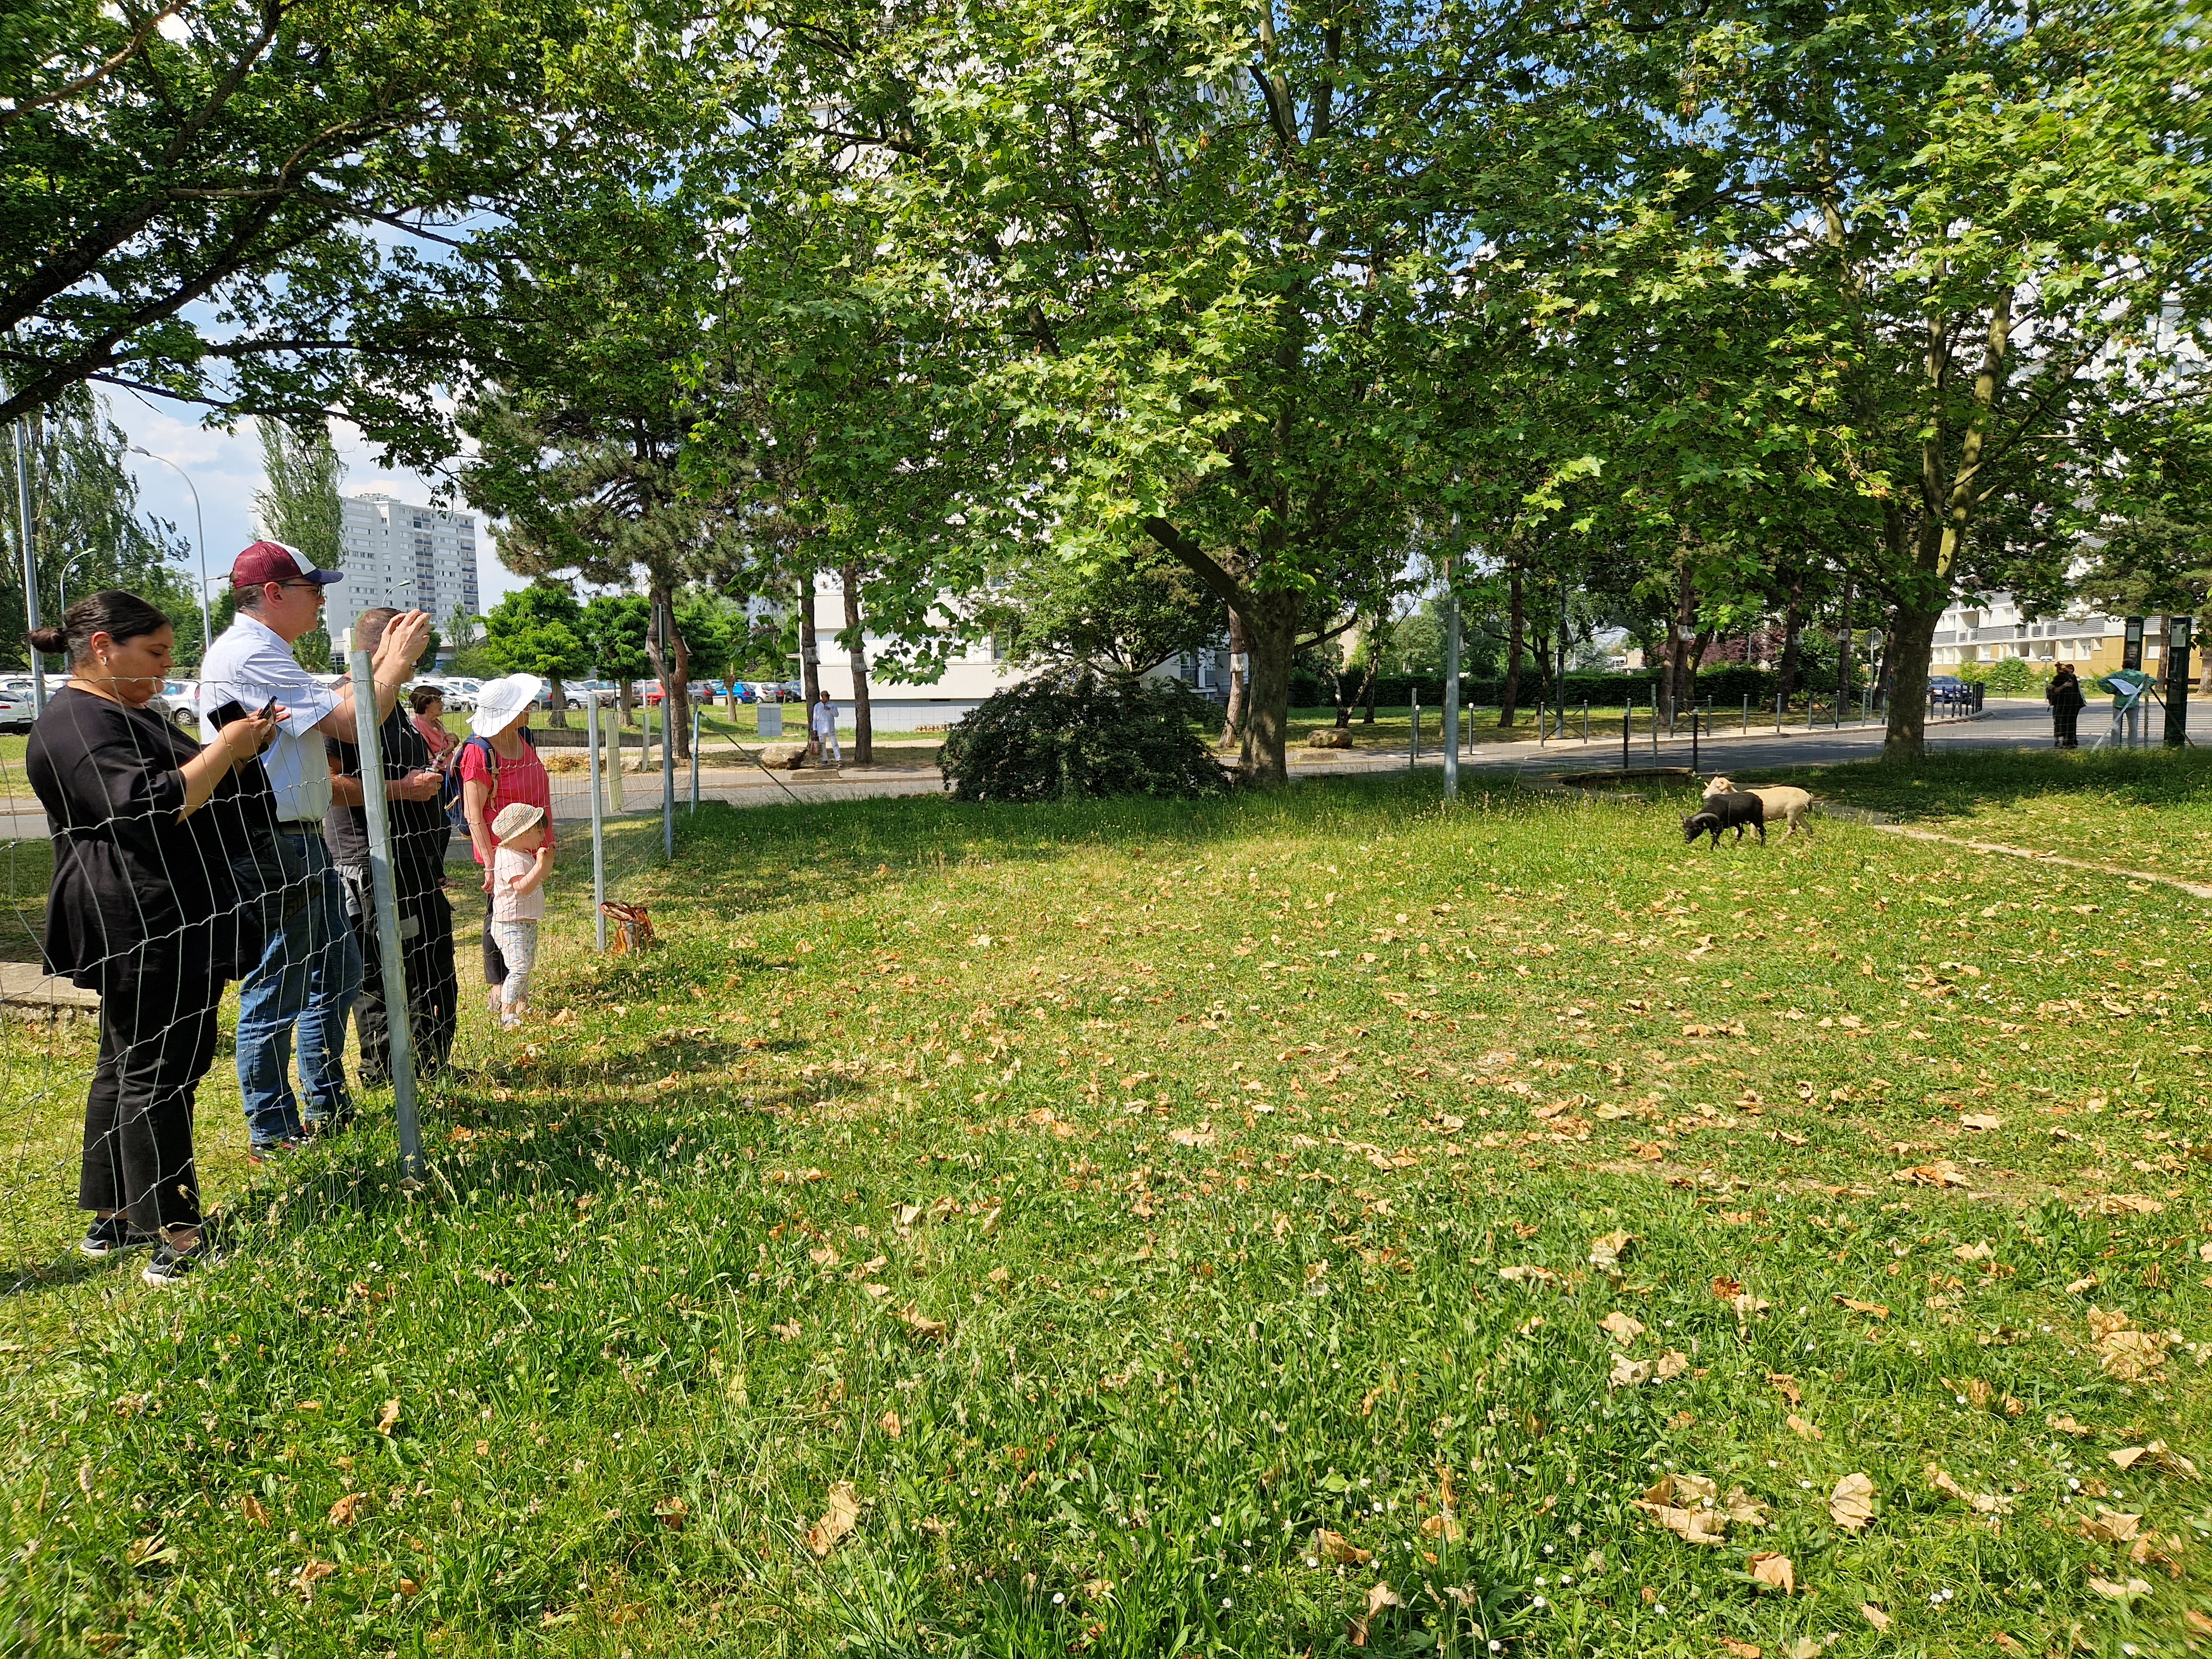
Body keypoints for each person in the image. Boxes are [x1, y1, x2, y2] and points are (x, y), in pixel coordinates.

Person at [25, 591, 280, 1286]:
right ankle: (176, 1236)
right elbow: (145, 806)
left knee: (130, 1065)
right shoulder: (76, 722)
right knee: (158, 1074)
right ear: (103, 647)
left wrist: (241, 749)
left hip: (164, 908)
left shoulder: (120, 713)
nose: (167, 672)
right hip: (139, 916)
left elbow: (198, 791)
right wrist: (225, 747)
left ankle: (112, 1216)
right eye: (156, 654)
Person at [197, 540, 430, 1160]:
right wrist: (392, 663)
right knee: (281, 984)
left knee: (338, 973)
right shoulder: (251, 653)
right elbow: (357, 723)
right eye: (312, 588)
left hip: (300, 836)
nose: (323, 599)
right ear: (273, 594)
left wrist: (380, 668)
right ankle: (272, 1130)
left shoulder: (269, 651)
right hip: (273, 839)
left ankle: (325, 1102)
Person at [326, 609, 456, 1084]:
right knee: (383, 972)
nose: (418, 664)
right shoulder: (339, 701)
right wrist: (402, 789)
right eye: (415, 651)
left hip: (413, 860)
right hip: (370, 861)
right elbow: (329, 784)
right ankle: (386, 1071)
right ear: (385, 645)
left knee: (429, 965)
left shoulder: (390, 701)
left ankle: (430, 1066)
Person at [458, 674, 554, 1012]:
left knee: (517, 915)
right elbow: (473, 813)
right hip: (503, 852)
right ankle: (501, 989)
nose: (529, 708)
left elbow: (539, 791)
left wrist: (547, 838)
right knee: (499, 916)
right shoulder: (478, 752)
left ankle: (515, 984)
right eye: (522, 705)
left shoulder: (522, 738)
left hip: (532, 842)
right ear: (508, 712)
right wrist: (489, 863)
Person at [487, 802, 554, 1029]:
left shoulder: (522, 853)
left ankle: (522, 1004)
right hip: (510, 925)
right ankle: (507, 1013)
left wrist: (547, 863)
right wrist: (539, 865)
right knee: (519, 968)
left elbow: (540, 878)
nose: (542, 835)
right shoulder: (507, 858)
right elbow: (523, 888)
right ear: (523, 833)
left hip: (525, 922)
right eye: (538, 830)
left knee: (526, 965)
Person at [2047, 662, 2085, 749]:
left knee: (2064, 723)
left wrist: (2063, 686)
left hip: (2064, 704)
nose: (2068, 670)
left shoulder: (2061, 677)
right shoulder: (2072, 677)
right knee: (2071, 723)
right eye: (2066, 668)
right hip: (2074, 704)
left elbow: (2052, 689)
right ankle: (2071, 742)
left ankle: (2066, 743)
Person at [810, 690, 840, 765]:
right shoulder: (817, 706)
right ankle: (825, 759)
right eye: (826, 696)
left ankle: (839, 759)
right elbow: (815, 718)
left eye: (828, 696)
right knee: (823, 745)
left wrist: (830, 710)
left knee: (834, 744)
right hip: (821, 728)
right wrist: (815, 729)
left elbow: (836, 714)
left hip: (830, 728)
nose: (828, 698)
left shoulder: (832, 705)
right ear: (822, 697)